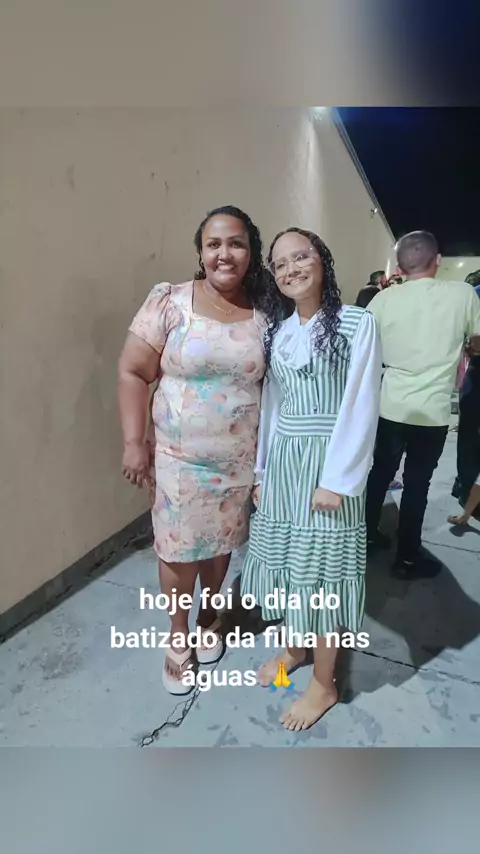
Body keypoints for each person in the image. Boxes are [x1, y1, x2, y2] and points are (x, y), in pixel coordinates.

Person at [118, 205, 271, 694]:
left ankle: (210, 614)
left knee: (221, 544)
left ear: (251, 253)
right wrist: (133, 441)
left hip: (237, 461)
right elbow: (133, 371)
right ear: (201, 252)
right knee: (179, 550)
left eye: (236, 243)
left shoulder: (265, 314)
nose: (225, 253)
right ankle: (178, 633)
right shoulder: (171, 301)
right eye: (214, 244)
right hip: (178, 460)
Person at [241, 227, 382, 731]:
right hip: (285, 465)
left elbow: (362, 404)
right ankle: (295, 649)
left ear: (323, 261)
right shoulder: (279, 333)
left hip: (329, 466)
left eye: (301, 257)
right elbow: (272, 409)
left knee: (322, 575)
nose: (291, 269)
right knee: (289, 564)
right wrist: (262, 473)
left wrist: (338, 480)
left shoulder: (356, 323)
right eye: (280, 264)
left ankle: (324, 683)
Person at [366, 231, 480, 579]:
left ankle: (366, 538)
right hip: (432, 412)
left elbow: (365, 348)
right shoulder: (462, 294)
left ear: (399, 267)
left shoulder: (382, 301)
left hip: (390, 406)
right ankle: (407, 559)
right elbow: (477, 341)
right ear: (438, 260)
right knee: (417, 484)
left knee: (379, 474)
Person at [451, 276, 480, 514]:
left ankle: (467, 490)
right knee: (470, 433)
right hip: (477, 370)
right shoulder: (475, 294)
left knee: (470, 434)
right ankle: (466, 490)